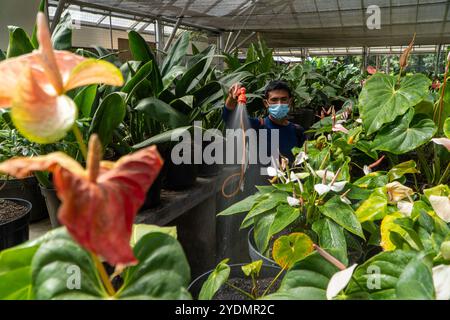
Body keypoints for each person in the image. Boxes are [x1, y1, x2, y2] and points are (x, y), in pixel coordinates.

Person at [222, 80, 306, 164]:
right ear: (266, 103)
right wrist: (231, 97)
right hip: (259, 177)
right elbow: (229, 117)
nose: (279, 103)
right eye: (274, 100)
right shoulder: (257, 126)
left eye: (283, 99)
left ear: (290, 102)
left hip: (290, 176)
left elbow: (305, 159)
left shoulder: (297, 131)